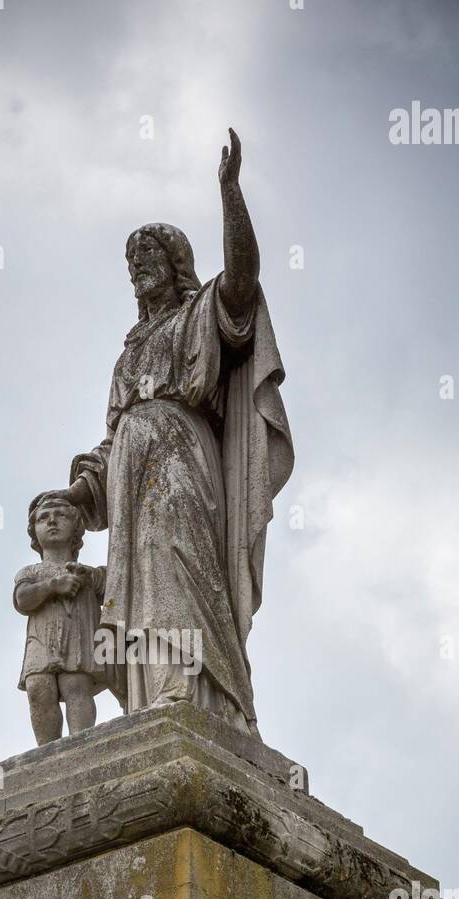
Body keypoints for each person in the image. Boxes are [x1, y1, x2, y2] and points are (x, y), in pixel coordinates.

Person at [59, 129, 295, 736]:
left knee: (180, 566)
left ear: (176, 266)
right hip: (132, 472)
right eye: (131, 263)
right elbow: (112, 440)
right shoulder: (130, 348)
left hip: (181, 458)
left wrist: (230, 194)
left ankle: (197, 695)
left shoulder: (198, 316)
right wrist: (84, 492)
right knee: (138, 584)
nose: (139, 269)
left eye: (150, 258)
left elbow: (242, 281)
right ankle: (152, 700)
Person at [14, 492, 107, 745]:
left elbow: (114, 587)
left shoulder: (90, 575)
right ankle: (46, 752)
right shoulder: (31, 572)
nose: (52, 521)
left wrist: (87, 577)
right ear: (34, 531)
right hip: (41, 641)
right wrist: (54, 585)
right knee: (38, 689)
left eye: (60, 516)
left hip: (78, 640)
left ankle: (81, 745)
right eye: (43, 518)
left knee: (76, 686)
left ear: (76, 528)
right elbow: (22, 599)